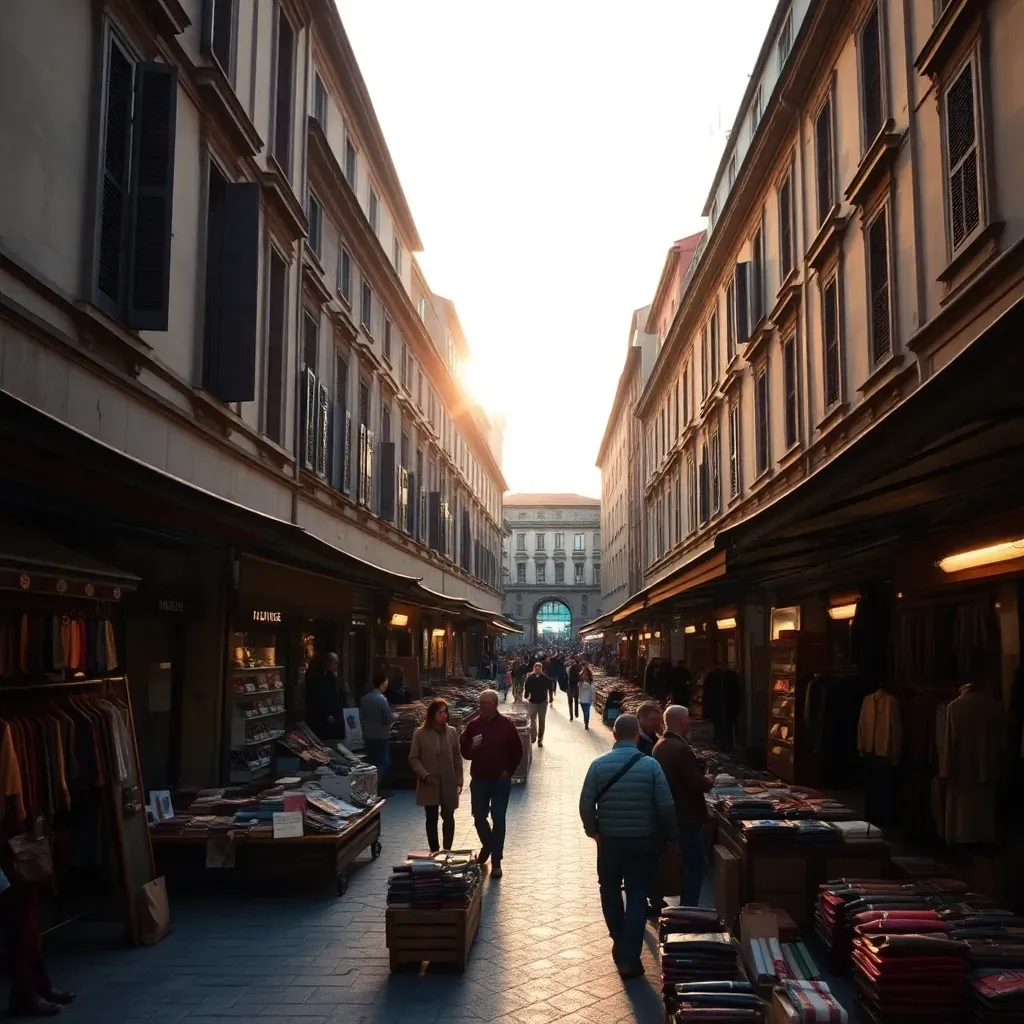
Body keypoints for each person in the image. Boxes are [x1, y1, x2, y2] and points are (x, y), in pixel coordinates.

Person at [579, 714, 679, 979]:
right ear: (636, 734)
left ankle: (619, 939)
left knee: (609, 889)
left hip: (609, 842)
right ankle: (629, 955)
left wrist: (594, 832)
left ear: (614, 734)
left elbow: (586, 803)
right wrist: (671, 835)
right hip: (642, 841)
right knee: (636, 894)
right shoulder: (651, 766)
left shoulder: (598, 765)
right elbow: (666, 806)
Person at [654, 705, 713, 908]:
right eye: (688, 719)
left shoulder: (660, 745)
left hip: (671, 815)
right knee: (694, 866)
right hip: (687, 816)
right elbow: (697, 784)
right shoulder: (680, 749)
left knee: (682, 863)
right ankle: (689, 910)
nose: (690, 722)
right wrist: (709, 779)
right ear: (680, 721)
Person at [459, 690, 523, 878]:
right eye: (480, 703)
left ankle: (496, 861)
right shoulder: (472, 726)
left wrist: (508, 771)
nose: (481, 707)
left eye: (485, 703)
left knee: (498, 817)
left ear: (494, 704)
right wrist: (472, 748)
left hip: (500, 781)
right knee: (479, 817)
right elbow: (465, 753)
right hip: (479, 778)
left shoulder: (507, 725)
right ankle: (488, 846)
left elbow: (517, 751)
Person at [409, 698, 464, 853]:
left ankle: (447, 850)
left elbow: (457, 757)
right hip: (429, 782)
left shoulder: (452, 732)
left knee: (449, 817)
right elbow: (413, 758)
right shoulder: (420, 734)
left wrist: (459, 782)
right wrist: (424, 774)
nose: (444, 715)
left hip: (448, 781)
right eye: (440, 712)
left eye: (445, 712)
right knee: (431, 819)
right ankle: (434, 850)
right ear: (432, 714)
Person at [360, 673, 396, 791]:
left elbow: (361, 716)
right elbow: (388, 718)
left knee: (372, 761)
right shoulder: (381, 699)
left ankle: (369, 785)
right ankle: (375, 784)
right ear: (382, 684)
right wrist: (395, 716)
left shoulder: (364, 699)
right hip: (381, 735)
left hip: (368, 734)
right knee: (383, 761)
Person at [306, 653, 345, 740]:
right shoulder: (321, 677)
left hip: (336, 712)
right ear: (328, 662)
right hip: (325, 715)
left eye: (337, 662)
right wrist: (327, 714)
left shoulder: (336, 676)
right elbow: (320, 697)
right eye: (334, 662)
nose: (336, 665)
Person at [523, 661, 552, 746]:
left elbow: (550, 687)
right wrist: (526, 695)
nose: (537, 668)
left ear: (541, 668)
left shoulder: (545, 678)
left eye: (539, 667)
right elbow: (526, 687)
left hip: (543, 702)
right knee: (532, 719)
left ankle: (540, 738)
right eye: (536, 667)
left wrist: (551, 698)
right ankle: (533, 735)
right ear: (534, 668)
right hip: (533, 702)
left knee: (542, 720)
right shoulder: (530, 678)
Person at [578, 665, 595, 730]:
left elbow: (584, 687)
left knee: (586, 712)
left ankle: (586, 723)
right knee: (585, 712)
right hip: (583, 699)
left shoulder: (589, 682)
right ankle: (586, 722)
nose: (584, 676)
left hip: (587, 700)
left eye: (585, 674)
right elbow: (580, 686)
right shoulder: (582, 682)